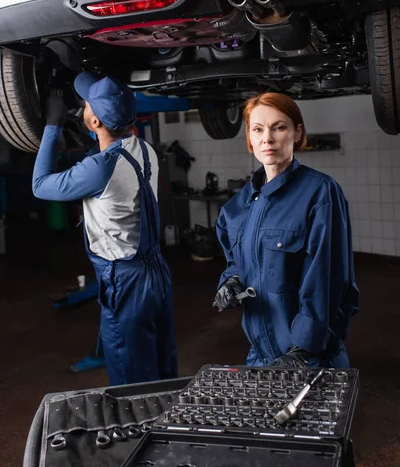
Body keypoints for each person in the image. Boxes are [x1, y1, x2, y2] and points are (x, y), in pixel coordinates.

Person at [32, 73, 178, 385]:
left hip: (125, 280)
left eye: (85, 105)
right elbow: (104, 158)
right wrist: (87, 132)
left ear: (96, 121)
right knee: (161, 366)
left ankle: (139, 431)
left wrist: (52, 125)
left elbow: (40, 185)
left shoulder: (99, 168)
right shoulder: (144, 150)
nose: (82, 106)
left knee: (130, 380)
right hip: (156, 273)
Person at [213, 92, 359, 369]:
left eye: (279, 127)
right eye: (258, 129)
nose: (267, 138)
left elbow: (327, 279)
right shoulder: (238, 205)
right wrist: (230, 281)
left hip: (311, 358)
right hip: (260, 356)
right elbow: (237, 261)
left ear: (297, 133)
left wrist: (303, 349)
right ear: (250, 138)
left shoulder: (320, 193)